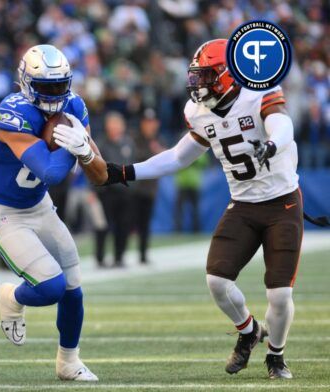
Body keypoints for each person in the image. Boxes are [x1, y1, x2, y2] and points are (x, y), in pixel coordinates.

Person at [104, 39, 300, 379]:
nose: (198, 85)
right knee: (217, 281)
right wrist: (127, 171)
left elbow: (282, 124)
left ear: (227, 74)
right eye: (196, 77)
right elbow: (179, 156)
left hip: (281, 202)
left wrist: (271, 144)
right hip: (242, 203)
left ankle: (275, 357)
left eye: (205, 77)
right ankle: (249, 330)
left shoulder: (258, 91)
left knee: (280, 294)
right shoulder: (199, 112)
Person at [0, 44, 107, 382]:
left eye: (59, 85)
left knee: (73, 287)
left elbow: (101, 173)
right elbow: (50, 172)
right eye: (45, 86)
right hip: (4, 210)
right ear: (25, 82)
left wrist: (88, 153)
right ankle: (11, 295)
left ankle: (69, 362)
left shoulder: (75, 105)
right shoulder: (13, 112)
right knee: (51, 287)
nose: (54, 94)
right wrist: (75, 146)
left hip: (40, 206)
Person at [94, 112, 134, 268]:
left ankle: (119, 257)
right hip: (106, 191)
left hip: (125, 191)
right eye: (113, 123)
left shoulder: (129, 143)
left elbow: (133, 163)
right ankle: (100, 257)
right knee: (103, 225)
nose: (116, 127)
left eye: (118, 123)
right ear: (107, 126)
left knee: (123, 225)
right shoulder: (101, 143)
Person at [132, 108, 164, 263]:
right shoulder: (136, 139)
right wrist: (155, 153)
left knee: (145, 224)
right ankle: (119, 256)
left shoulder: (158, 140)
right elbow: (136, 159)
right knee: (128, 223)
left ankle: (143, 255)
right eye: (147, 122)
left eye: (152, 122)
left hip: (150, 190)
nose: (150, 125)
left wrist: (159, 151)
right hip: (135, 189)